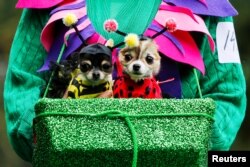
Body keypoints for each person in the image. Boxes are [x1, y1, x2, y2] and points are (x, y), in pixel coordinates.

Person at [4, 0, 246, 162]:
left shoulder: (208, 5)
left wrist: (180, 141)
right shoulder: (49, 3)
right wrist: (48, 137)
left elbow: (227, 95)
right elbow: (23, 88)